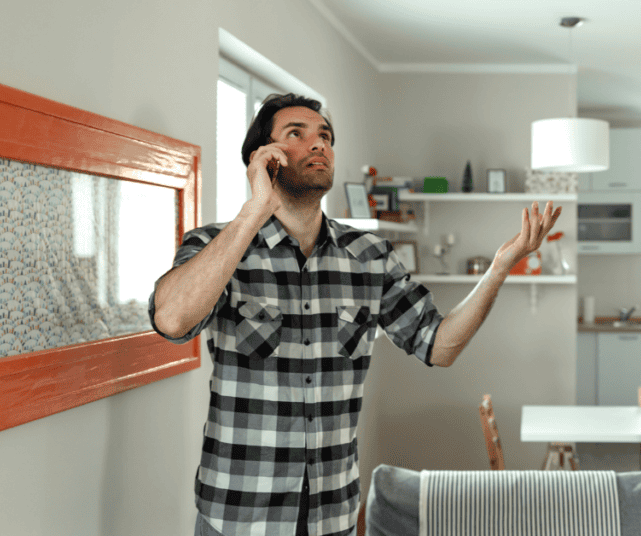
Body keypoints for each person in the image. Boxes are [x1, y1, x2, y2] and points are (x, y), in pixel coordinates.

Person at [150, 93, 561, 536]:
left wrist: (500, 268)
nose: (318, 144)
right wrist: (254, 211)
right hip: (237, 515)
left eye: (325, 136)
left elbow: (439, 346)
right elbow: (172, 320)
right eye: (297, 134)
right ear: (262, 157)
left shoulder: (370, 257)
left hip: (333, 516)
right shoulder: (218, 246)